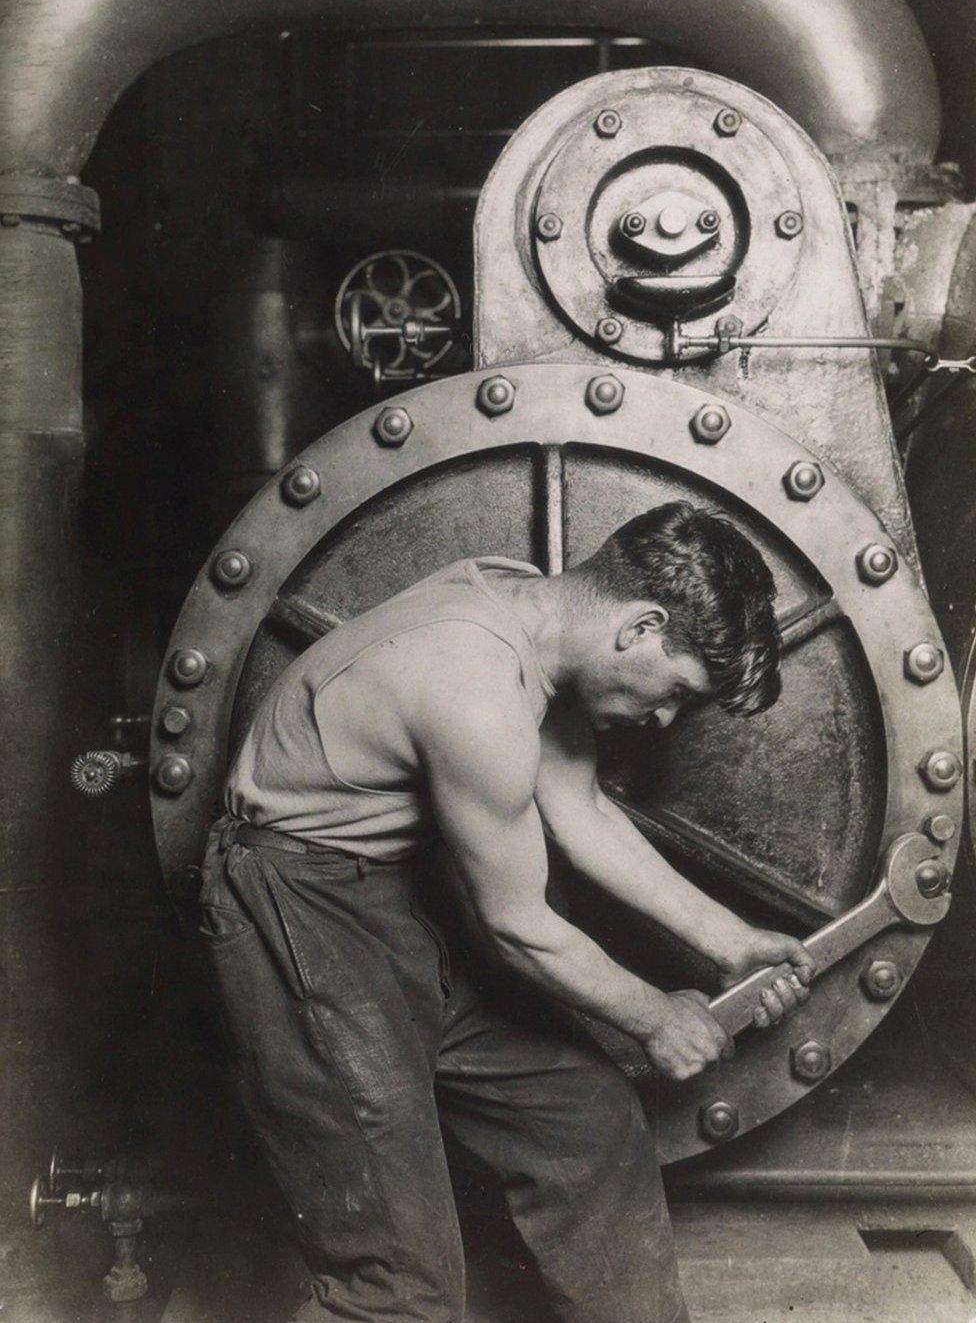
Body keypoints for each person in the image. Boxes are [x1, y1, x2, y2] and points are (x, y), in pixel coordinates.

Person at [200, 500, 814, 1323]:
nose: (664, 718)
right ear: (640, 625)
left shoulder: (530, 609)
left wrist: (731, 942)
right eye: (675, 689)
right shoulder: (472, 682)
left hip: (394, 898)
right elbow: (516, 924)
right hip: (298, 911)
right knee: (400, 1282)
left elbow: (579, 805)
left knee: (585, 1124)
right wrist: (654, 1015)